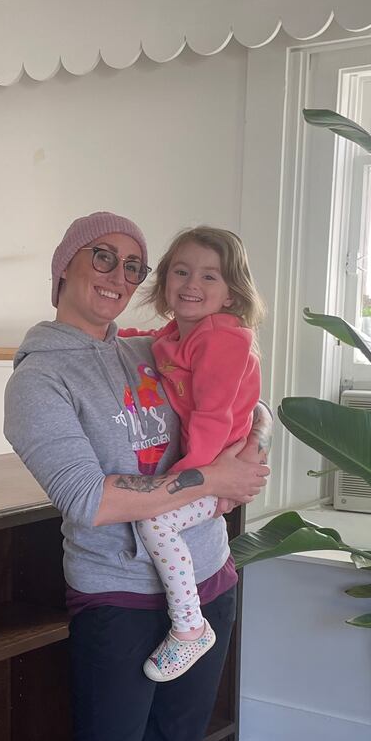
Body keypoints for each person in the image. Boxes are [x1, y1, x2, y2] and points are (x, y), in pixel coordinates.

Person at [1, 212, 271, 741]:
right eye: (102, 258)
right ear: (64, 267)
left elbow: (230, 405)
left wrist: (247, 453)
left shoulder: (142, 349)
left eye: (132, 263)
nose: (119, 275)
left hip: (207, 580)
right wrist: (212, 482)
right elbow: (92, 502)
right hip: (117, 595)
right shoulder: (38, 381)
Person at [128, 227, 264, 683]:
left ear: (231, 294)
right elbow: (154, 346)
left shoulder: (224, 340)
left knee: (154, 519)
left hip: (216, 461)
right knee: (159, 516)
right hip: (214, 467)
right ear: (166, 281)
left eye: (210, 277)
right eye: (182, 272)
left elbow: (212, 417)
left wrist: (191, 480)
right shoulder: (178, 334)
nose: (192, 284)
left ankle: (189, 628)